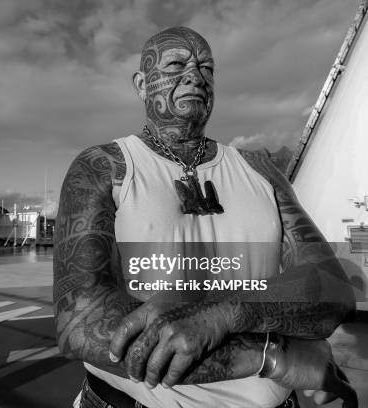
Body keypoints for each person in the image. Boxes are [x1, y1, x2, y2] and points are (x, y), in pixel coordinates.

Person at [53, 26, 357, 408]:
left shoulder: (260, 170)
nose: (195, 75)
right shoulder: (103, 167)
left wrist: (225, 314)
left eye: (207, 69)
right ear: (141, 84)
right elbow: (80, 323)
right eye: (177, 63)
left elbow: (331, 286)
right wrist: (271, 357)